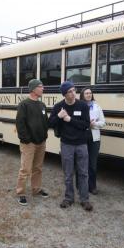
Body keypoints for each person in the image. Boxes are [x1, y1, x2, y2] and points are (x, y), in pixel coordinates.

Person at [49, 81, 93, 211]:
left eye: (74, 90)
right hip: (66, 144)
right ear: (64, 94)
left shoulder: (83, 105)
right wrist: (59, 116)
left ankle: (84, 199)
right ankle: (68, 198)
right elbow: (50, 123)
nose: (73, 93)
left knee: (83, 173)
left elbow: (86, 124)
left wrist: (70, 120)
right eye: (70, 91)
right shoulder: (59, 107)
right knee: (68, 173)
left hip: (81, 144)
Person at [15, 79, 49, 206]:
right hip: (29, 143)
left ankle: (36, 189)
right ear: (34, 89)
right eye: (41, 86)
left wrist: (44, 136)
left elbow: (46, 122)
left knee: (38, 168)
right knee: (25, 169)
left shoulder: (42, 105)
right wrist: (26, 139)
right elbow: (20, 123)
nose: (43, 89)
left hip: (41, 142)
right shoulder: (24, 104)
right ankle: (21, 193)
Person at [79, 87, 105, 195]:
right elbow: (76, 122)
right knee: (81, 163)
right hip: (82, 137)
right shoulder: (79, 106)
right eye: (86, 93)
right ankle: (81, 186)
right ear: (82, 95)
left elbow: (103, 122)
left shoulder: (97, 106)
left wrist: (94, 124)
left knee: (92, 164)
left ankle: (92, 186)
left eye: (90, 93)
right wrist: (86, 124)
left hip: (94, 138)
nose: (89, 95)